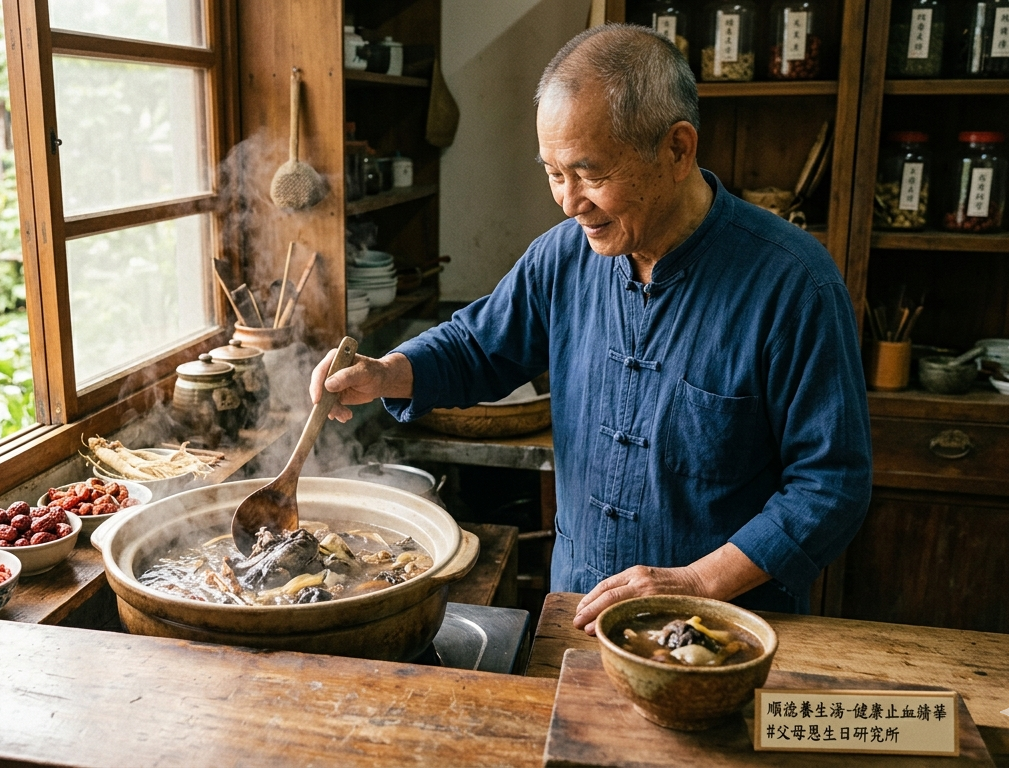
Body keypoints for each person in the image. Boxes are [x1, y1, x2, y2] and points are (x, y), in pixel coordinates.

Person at [309, 24, 872, 636]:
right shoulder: (563, 256)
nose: (568, 200)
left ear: (677, 150)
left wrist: (696, 582)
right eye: (554, 173)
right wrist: (386, 372)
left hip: (725, 631)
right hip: (576, 611)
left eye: (589, 173)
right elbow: (477, 345)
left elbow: (830, 485)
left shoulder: (794, 283)